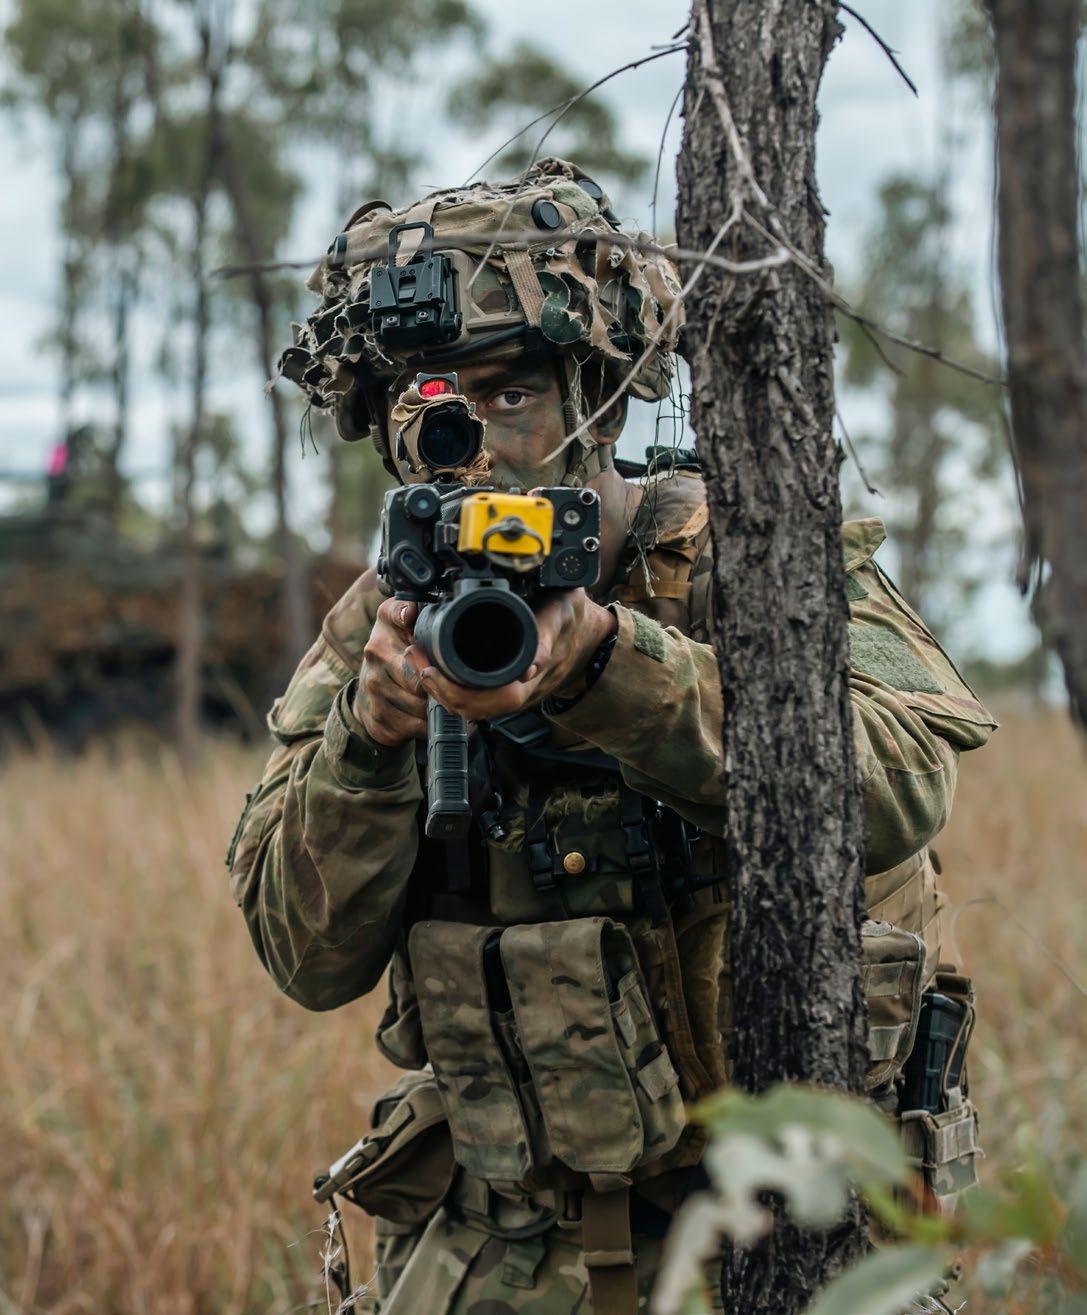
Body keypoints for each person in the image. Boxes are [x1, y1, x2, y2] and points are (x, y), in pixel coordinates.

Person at [227, 158, 995, 1315]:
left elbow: (897, 784)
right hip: (509, 1252)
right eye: (431, 415)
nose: (475, 446)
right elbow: (304, 955)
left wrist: (611, 669)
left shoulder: (751, 556)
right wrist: (372, 734)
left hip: (788, 1237)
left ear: (601, 389)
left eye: (509, 394)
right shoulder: (376, 629)